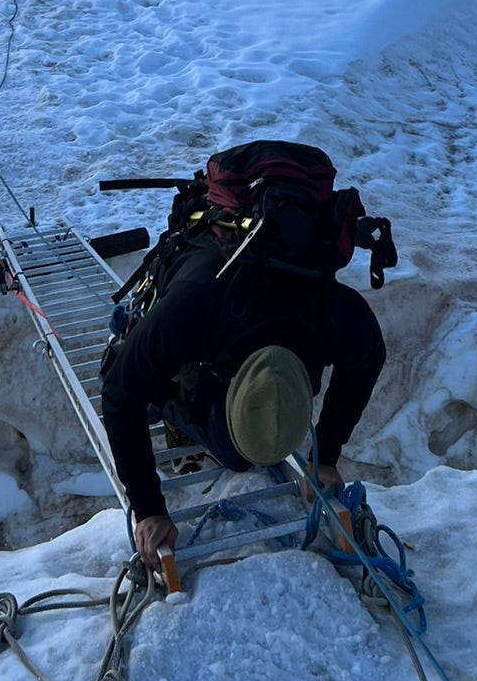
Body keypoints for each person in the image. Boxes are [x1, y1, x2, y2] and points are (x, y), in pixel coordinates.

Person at [100, 231, 386, 570]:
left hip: (261, 318)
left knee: (241, 450)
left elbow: (370, 357)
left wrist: (324, 455)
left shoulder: (330, 315)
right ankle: (171, 403)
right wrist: (148, 508)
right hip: (200, 278)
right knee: (232, 454)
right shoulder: (191, 312)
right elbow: (118, 393)